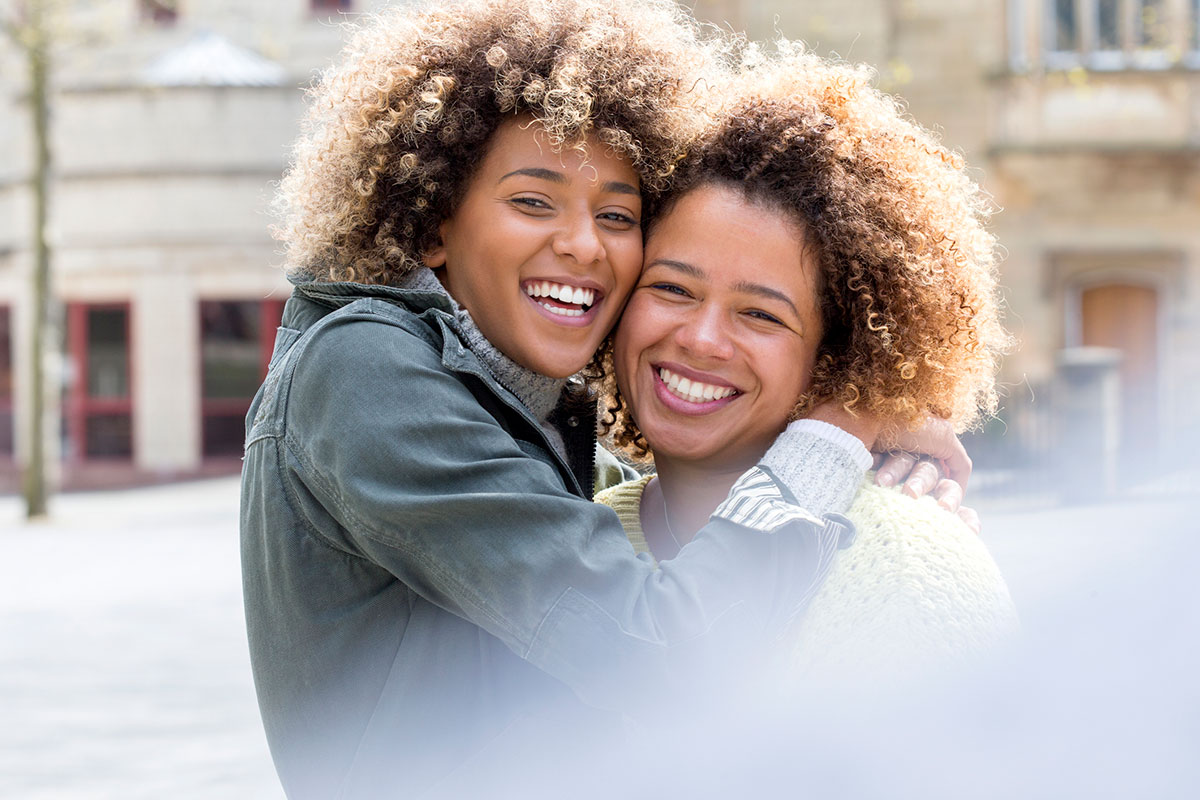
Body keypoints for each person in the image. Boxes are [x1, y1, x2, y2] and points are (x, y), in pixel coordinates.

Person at [240, 2, 964, 796]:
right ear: (432, 227)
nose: (584, 244)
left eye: (618, 215)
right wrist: (839, 428)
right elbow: (662, 658)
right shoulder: (364, 367)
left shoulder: (500, 395)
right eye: (532, 201)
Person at [596, 47, 1017, 681]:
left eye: (761, 315)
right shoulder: (573, 536)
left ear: (838, 356)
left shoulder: (906, 568)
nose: (702, 339)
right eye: (673, 289)